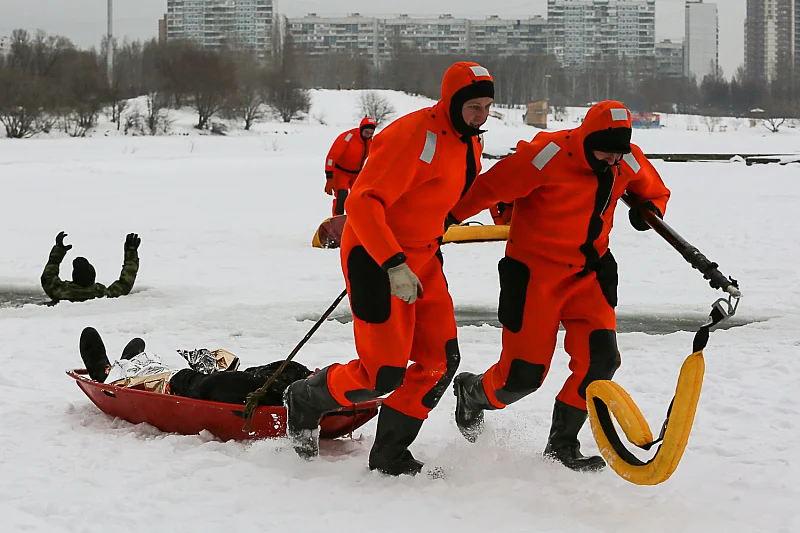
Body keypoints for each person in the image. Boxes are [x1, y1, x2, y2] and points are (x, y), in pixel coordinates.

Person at [285, 62, 495, 476]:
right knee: (381, 375)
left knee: (438, 362)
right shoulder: (411, 134)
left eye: (487, 106)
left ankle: (389, 454)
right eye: (473, 106)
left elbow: (458, 191)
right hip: (375, 256)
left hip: (425, 257)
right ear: (451, 101)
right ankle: (306, 398)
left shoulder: (468, 139)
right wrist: (393, 263)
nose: (481, 115)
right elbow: (361, 202)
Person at [447, 100, 671, 472]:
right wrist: (443, 218)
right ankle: (472, 393)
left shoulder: (627, 159)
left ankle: (563, 444)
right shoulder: (545, 156)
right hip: (535, 275)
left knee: (601, 363)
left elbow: (654, 190)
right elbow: (486, 190)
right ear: (585, 138)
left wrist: (651, 210)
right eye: (605, 153)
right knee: (522, 378)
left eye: (619, 154)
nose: (612, 162)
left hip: (590, 275)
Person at [78, 327, 312, 406]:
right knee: (288, 369)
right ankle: (131, 363)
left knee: (202, 383)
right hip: (292, 387)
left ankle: (110, 373)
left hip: (193, 385)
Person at [41, 231, 140, 304]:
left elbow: (47, 277)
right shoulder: (102, 294)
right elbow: (125, 283)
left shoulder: (60, 292)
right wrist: (131, 252)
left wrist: (58, 251)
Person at [324, 117, 377, 216]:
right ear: (361, 128)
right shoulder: (348, 137)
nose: (368, 136)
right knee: (342, 196)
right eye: (366, 132)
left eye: (371, 133)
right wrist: (329, 177)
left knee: (359, 198)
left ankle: (355, 221)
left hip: (357, 175)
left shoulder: (370, 141)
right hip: (341, 173)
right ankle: (337, 222)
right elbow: (331, 157)